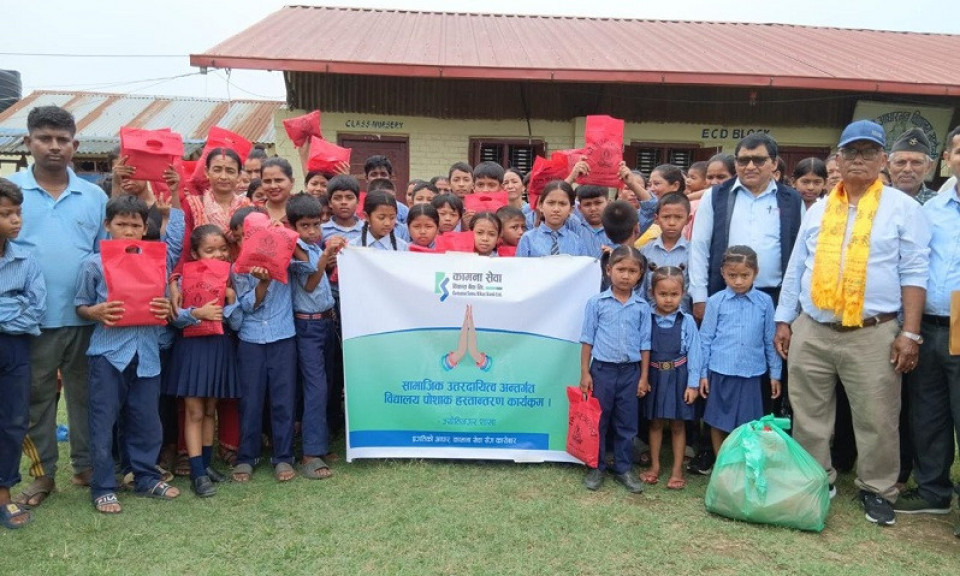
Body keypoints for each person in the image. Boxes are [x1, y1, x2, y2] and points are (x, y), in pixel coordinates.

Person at [774, 119, 931, 526]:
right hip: (813, 326)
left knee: (877, 416)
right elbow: (797, 266)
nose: (858, 159)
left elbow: (915, 273)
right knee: (808, 411)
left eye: (868, 152)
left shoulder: (903, 209)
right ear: (838, 160)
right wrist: (784, 320)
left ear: (882, 159)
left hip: (872, 332)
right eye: (851, 152)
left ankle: (877, 488)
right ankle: (816, 476)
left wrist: (910, 333)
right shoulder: (820, 208)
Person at [10, 106, 107, 506]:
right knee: (37, 399)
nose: (54, 146)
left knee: (86, 397)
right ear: (28, 142)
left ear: (74, 145)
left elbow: (105, 257)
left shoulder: (94, 196)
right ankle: (43, 474)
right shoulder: (9, 191)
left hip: (86, 318)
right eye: (44, 138)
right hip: (28, 320)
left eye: (62, 140)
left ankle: (86, 466)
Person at [75, 195, 178, 513]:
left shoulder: (158, 261)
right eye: (122, 224)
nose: (129, 231)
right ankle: (104, 485)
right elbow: (80, 305)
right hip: (107, 353)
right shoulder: (94, 264)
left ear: (145, 227)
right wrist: (95, 311)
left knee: (146, 419)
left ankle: (145, 476)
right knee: (103, 420)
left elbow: (167, 307)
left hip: (147, 352)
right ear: (108, 225)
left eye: (136, 225)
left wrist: (166, 308)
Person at [894, 125, 960, 529]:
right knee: (929, 411)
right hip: (929, 322)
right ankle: (935, 491)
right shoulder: (930, 210)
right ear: (948, 160)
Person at [689, 134, 802, 322]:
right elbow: (699, 247)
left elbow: (799, 256)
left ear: (774, 163)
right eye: (743, 160)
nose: (750, 166)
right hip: (724, 295)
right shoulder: (716, 196)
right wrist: (699, 296)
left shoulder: (792, 200)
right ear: (735, 163)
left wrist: (789, 308)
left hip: (774, 298)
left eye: (758, 160)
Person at [230, 212, 302, 484]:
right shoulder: (238, 268)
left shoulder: (288, 259)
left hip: (283, 337)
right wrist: (263, 281)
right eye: (245, 237)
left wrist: (286, 236)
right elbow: (247, 305)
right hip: (250, 339)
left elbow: (309, 266)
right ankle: (247, 456)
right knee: (250, 400)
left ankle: (283, 456)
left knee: (283, 399)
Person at [579, 245, 650, 493]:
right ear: (609, 270)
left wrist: (643, 377)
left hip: (630, 373)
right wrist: (585, 372)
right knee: (599, 420)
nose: (626, 276)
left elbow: (645, 344)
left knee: (627, 423)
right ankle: (596, 466)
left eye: (632, 271)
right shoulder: (596, 303)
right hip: (602, 371)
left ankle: (623, 468)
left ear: (640, 275)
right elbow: (587, 339)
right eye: (621, 269)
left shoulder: (642, 307)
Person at [287, 194, 347, 480]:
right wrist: (324, 258)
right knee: (316, 387)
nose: (312, 231)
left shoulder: (312, 247)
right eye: (305, 226)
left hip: (326, 322)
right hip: (307, 326)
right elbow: (310, 285)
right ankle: (310, 453)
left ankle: (320, 444)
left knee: (328, 385)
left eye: (316, 224)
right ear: (292, 227)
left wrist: (327, 258)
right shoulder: (295, 250)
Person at [699, 246, 781, 457]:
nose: (738, 281)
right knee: (718, 419)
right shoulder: (716, 301)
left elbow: (770, 339)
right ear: (723, 273)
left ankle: (745, 462)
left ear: (756, 273)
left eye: (745, 275)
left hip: (751, 372)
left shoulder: (764, 302)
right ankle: (722, 462)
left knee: (749, 423)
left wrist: (775, 374)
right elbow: (705, 339)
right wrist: (702, 373)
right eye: (732, 275)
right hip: (721, 370)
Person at [0, 178, 46, 529]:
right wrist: (11, 303)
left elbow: (36, 311)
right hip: (13, 336)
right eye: (6, 214)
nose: (16, 220)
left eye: (18, 212)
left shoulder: (26, 258)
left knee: (13, 421)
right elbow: (21, 308)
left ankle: (3, 495)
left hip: (14, 348)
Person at [640, 266, 701, 490]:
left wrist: (693, 384)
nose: (668, 299)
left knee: (677, 424)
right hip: (654, 376)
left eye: (674, 294)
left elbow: (695, 353)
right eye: (662, 294)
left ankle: (677, 470)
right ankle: (655, 466)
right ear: (652, 293)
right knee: (655, 422)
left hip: (679, 377)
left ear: (682, 293)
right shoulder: (646, 318)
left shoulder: (687, 321)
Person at [640, 193, 692, 313]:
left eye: (678, 217)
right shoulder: (645, 251)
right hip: (651, 316)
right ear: (657, 219)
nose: (672, 222)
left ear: (688, 220)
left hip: (682, 316)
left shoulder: (693, 252)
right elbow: (641, 288)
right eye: (666, 217)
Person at [517, 181, 588, 257]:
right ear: (540, 206)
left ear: (571, 209)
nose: (556, 209)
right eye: (551, 203)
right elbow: (521, 264)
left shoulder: (577, 241)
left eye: (562, 204)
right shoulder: (528, 239)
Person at [888, 128, 938, 204]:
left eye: (916, 162)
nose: (907, 169)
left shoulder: (939, 204)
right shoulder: (874, 199)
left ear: (928, 167)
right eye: (901, 162)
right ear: (888, 166)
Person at [574, 185, 611, 257]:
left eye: (598, 203)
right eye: (587, 204)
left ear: (608, 203)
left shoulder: (618, 229)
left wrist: (616, 255)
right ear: (579, 208)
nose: (593, 209)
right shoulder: (574, 227)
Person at [261, 157, 296, 227]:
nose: (273, 186)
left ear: (292, 182)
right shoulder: (255, 212)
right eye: (267, 181)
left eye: (278, 180)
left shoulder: (305, 210)